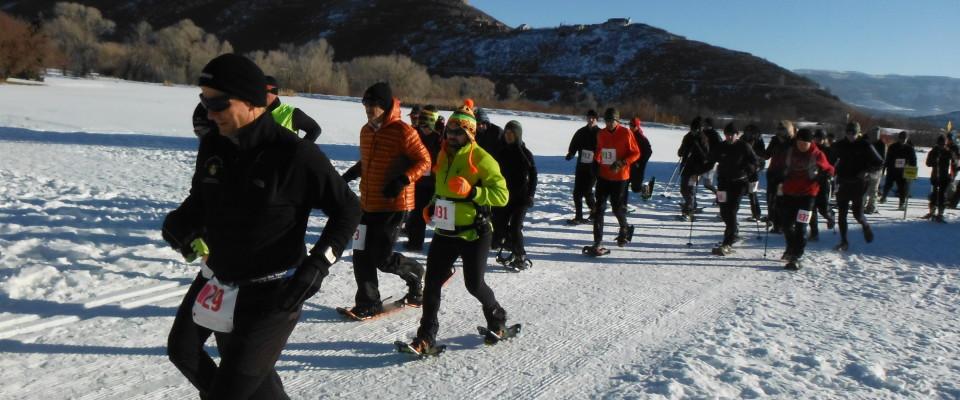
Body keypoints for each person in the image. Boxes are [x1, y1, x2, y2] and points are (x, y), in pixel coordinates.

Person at [162, 53, 361, 399]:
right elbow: (200, 201)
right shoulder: (213, 144)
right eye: (203, 102)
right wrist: (179, 223)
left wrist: (318, 264)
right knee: (184, 351)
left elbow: (348, 209)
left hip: (273, 293)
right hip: (217, 280)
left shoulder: (295, 155)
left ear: (252, 102)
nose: (208, 113)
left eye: (218, 103)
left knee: (235, 386)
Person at [404, 100, 511, 354]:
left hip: (475, 232)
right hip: (445, 232)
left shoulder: (482, 159)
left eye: (458, 132)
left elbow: (502, 195)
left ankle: (497, 316)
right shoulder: (442, 154)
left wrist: (473, 191)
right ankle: (426, 336)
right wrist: (430, 206)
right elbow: (441, 190)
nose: (451, 136)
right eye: (449, 131)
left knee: (474, 285)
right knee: (431, 284)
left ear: (469, 133)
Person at [340, 82, 431, 318]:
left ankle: (415, 271)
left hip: (394, 204)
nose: (369, 109)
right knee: (360, 254)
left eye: (374, 104)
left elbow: (425, 161)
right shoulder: (366, 131)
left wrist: (402, 179)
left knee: (382, 258)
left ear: (386, 105)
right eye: (366, 104)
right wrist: (350, 174)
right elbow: (368, 161)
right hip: (367, 203)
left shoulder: (403, 131)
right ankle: (368, 302)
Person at [767, 128, 834, 269]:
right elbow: (777, 165)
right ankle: (790, 248)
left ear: (811, 142)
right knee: (786, 225)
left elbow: (829, 169)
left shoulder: (817, 155)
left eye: (805, 143)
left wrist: (824, 175)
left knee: (801, 227)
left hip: (808, 196)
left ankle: (797, 255)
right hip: (789, 194)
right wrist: (775, 176)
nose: (802, 145)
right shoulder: (790, 153)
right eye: (799, 142)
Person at [584, 107, 640, 255]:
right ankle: (598, 242)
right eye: (607, 121)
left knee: (616, 208)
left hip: (620, 177)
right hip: (603, 176)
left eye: (611, 121)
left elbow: (636, 153)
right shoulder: (601, 134)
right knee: (599, 209)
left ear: (617, 121)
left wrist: (622, 162)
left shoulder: (626, 133)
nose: (608, 124)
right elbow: (599, 150)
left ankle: (625, 227)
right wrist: (595, 162)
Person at [491, 120, 538, 270]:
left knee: (516, 227)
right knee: (499, 227)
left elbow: (534, 176)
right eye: (506, 133)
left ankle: (520, 256)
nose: (508, 136)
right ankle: (512, 246)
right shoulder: (501, 152)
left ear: (517, 135)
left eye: (512, 133)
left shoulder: (525, 153)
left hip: (521, 198)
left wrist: (530, 195)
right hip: (504, 196)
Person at [710, 122, 760, 255]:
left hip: (739, 183)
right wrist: (697, 170)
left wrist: (751, 169)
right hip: (723, 184)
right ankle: (733, 231)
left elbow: (756, 162)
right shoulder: (721, 146)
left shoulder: (744, 146)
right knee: (723, 211)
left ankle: (728, 242)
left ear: (737, 135)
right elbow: (710, 159)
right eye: (727, 135)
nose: (729, 137)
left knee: (732, 211)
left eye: (732, 135)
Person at [832, 121, 883, 251]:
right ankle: (844, 241)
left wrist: (866, 171)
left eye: (853, 133)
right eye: (848, 132)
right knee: (841, 214)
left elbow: (879, 162)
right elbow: (829, 159)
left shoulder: (865, 145)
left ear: (858, 133)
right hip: (843, 182)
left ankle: (865, 226)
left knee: (857, 214)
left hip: (858, 184)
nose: (850, 135)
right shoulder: (839, 145)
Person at [404, 105, 443, 251]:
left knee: (437, 215)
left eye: (427, 126)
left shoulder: (439, 138)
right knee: (417, 214)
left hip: (434, 182)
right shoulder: (416, 135)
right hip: (418, 181)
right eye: (422, 125)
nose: (424, 128)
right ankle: (415, 242)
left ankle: (440, 246)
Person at [564, 109, 600, 224]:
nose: (590, 120)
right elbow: (574, 144)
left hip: (594, 167)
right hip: (581, 166)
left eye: (593, 118)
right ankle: (578, 216)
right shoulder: (581, 132)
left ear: (596, 119)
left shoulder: (600, 133)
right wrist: (571, 153)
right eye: (589, 117)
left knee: (587, 191)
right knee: (577, 192)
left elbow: (605, 148)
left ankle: (594, 210)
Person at [264, 75, 322, 143]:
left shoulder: (292, 113)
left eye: (271, 91)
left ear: (275, 93)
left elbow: (315, 129)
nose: (265, 94)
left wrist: (301, 149)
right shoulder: (253, 111)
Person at [762, 120, 796, 233]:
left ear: (788, 131)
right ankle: (776, 224)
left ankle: (783, 224)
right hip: (773, 174)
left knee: (782, 201)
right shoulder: (774, 141)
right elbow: (767, 155)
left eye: (782, 130)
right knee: (771, 200)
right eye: (779, 130)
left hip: (785, 175)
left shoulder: (793, 142)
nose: (779, 132)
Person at [676, 116, 712, 221]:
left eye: (695, 129)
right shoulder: (687, 137)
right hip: (685, 167)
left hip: (695, 170)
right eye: (691, 129)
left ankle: (688, 211)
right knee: (683, 189)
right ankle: (691, 204)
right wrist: (683, 151)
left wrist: (697, 147)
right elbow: (681, 151)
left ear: (699, 129)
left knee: (690, 190)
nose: (693, 131)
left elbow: (706, 156)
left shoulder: (703, 139)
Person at [808, 129, 837, 241]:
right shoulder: (811, 150)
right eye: (817, 138)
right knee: (811, 207)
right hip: (812, 181)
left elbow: (832, 166)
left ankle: (830, 215)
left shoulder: (829, 150)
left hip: (824, 181)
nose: (819, 140)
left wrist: (830, 174)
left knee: (823, 208)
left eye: (821, 138)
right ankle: (814, 232)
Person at [880, 131, 917, 211]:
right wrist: (884, 169)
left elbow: (913, 160)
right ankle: (884, 197)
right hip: (892, 170)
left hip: (903, 171)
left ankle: (902, 203)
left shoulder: (910, 148)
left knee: (903, 188)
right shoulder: (892, 147)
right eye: (901, 138)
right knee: (888, 184)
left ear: (907, 139)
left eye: (904, 138)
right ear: (899, 138)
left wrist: (913, 172)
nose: (903, 140)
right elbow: (888, 158)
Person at [925, 135, 958, 222]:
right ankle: (932, 212)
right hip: (935, 177)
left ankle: (940, 213)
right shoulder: (933, 152)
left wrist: (952, 174)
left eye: (943, 144)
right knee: (934, 194)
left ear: (945, 144)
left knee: (942, 196)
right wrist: (934, 161)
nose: (941, 145)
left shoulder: (949, 152)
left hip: (945, 178)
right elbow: (928, 163)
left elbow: (954, 164)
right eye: (940, 144)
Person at [741, 124, 766, 221]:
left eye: (750, 132)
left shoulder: (758, 141)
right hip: (742, 170)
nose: (747, 134)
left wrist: (757, 166)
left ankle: (756, 214)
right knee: (739, 192)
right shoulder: (742, 139)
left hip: (753, 171)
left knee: (752, 193)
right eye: (746, 131)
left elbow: (761, 157)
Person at [628, 117, 653, 200]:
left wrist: (640, 162)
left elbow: (649, 152)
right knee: (624, 183)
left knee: (636, 188)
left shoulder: (642, 138)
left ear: (637, 126)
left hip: (638, 165)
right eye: (630, 125)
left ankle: (646, 187)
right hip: (628, 163)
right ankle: (622, 203)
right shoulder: (628, 134)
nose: (631, 127)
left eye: (633, 125)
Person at [863, 127, 886, 214]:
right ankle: (862, 206)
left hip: (876, 170)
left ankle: (870, 207)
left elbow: (883, 159)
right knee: (866, 189)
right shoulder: (866, 143)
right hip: (867, 169)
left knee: (872, 190)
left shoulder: (881, 144)